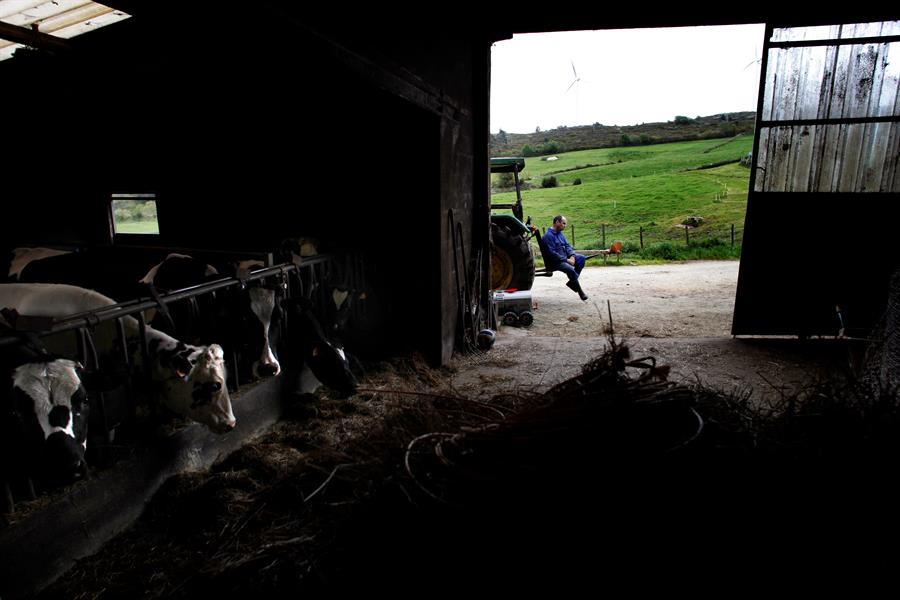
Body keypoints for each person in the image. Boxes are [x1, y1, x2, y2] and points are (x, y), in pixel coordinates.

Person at [541, 215, 588, 301]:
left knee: (581, 258)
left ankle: (572, 282)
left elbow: (567, 245)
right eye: (564, 223)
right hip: (556, 262)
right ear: (557, 222)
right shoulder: (548, 236)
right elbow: (552, 254)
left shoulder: (560, 234)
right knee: (570, 269)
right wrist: (567, 260)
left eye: (565, 224)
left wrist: (572, 256)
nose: (565, 226)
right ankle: (580, 291)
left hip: (565, 258)